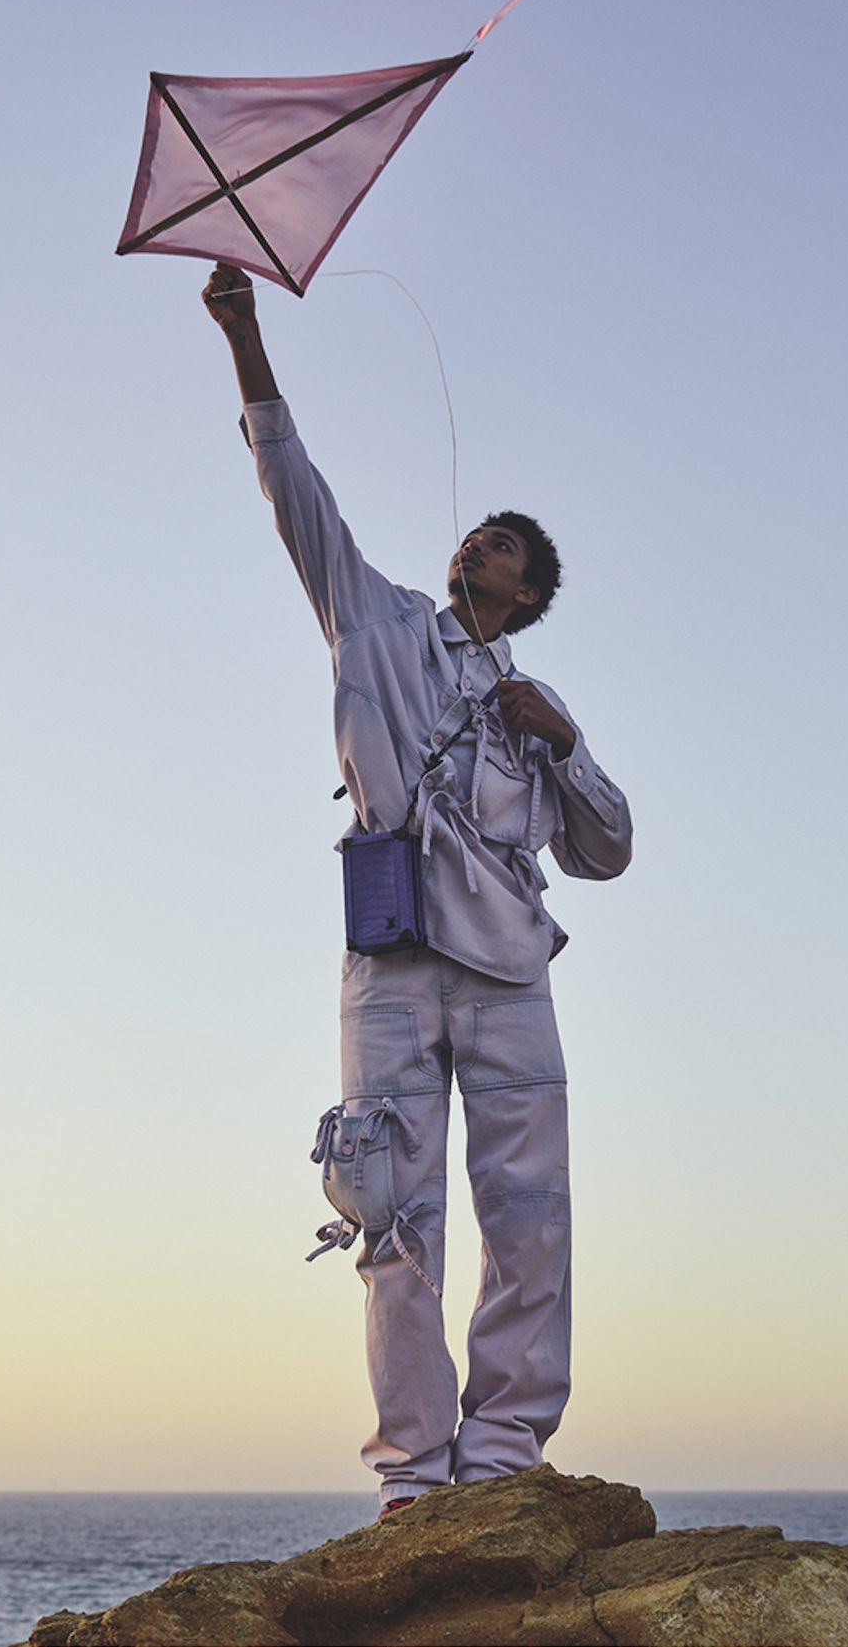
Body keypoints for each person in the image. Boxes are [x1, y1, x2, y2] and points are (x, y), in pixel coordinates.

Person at [203, 262, 633, 1516]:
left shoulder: (537, 707)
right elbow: (299, 497)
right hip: (388, 963)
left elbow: (607, 848)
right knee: (389, 1215)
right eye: (475, 533)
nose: (474, 545)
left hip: (508, 973)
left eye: (498, 546)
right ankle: (412, 1474)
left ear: (528, 596)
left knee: (530, 1214)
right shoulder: (378, 623)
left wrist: (558, 737)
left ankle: (502, 1456)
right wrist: (245, 340)